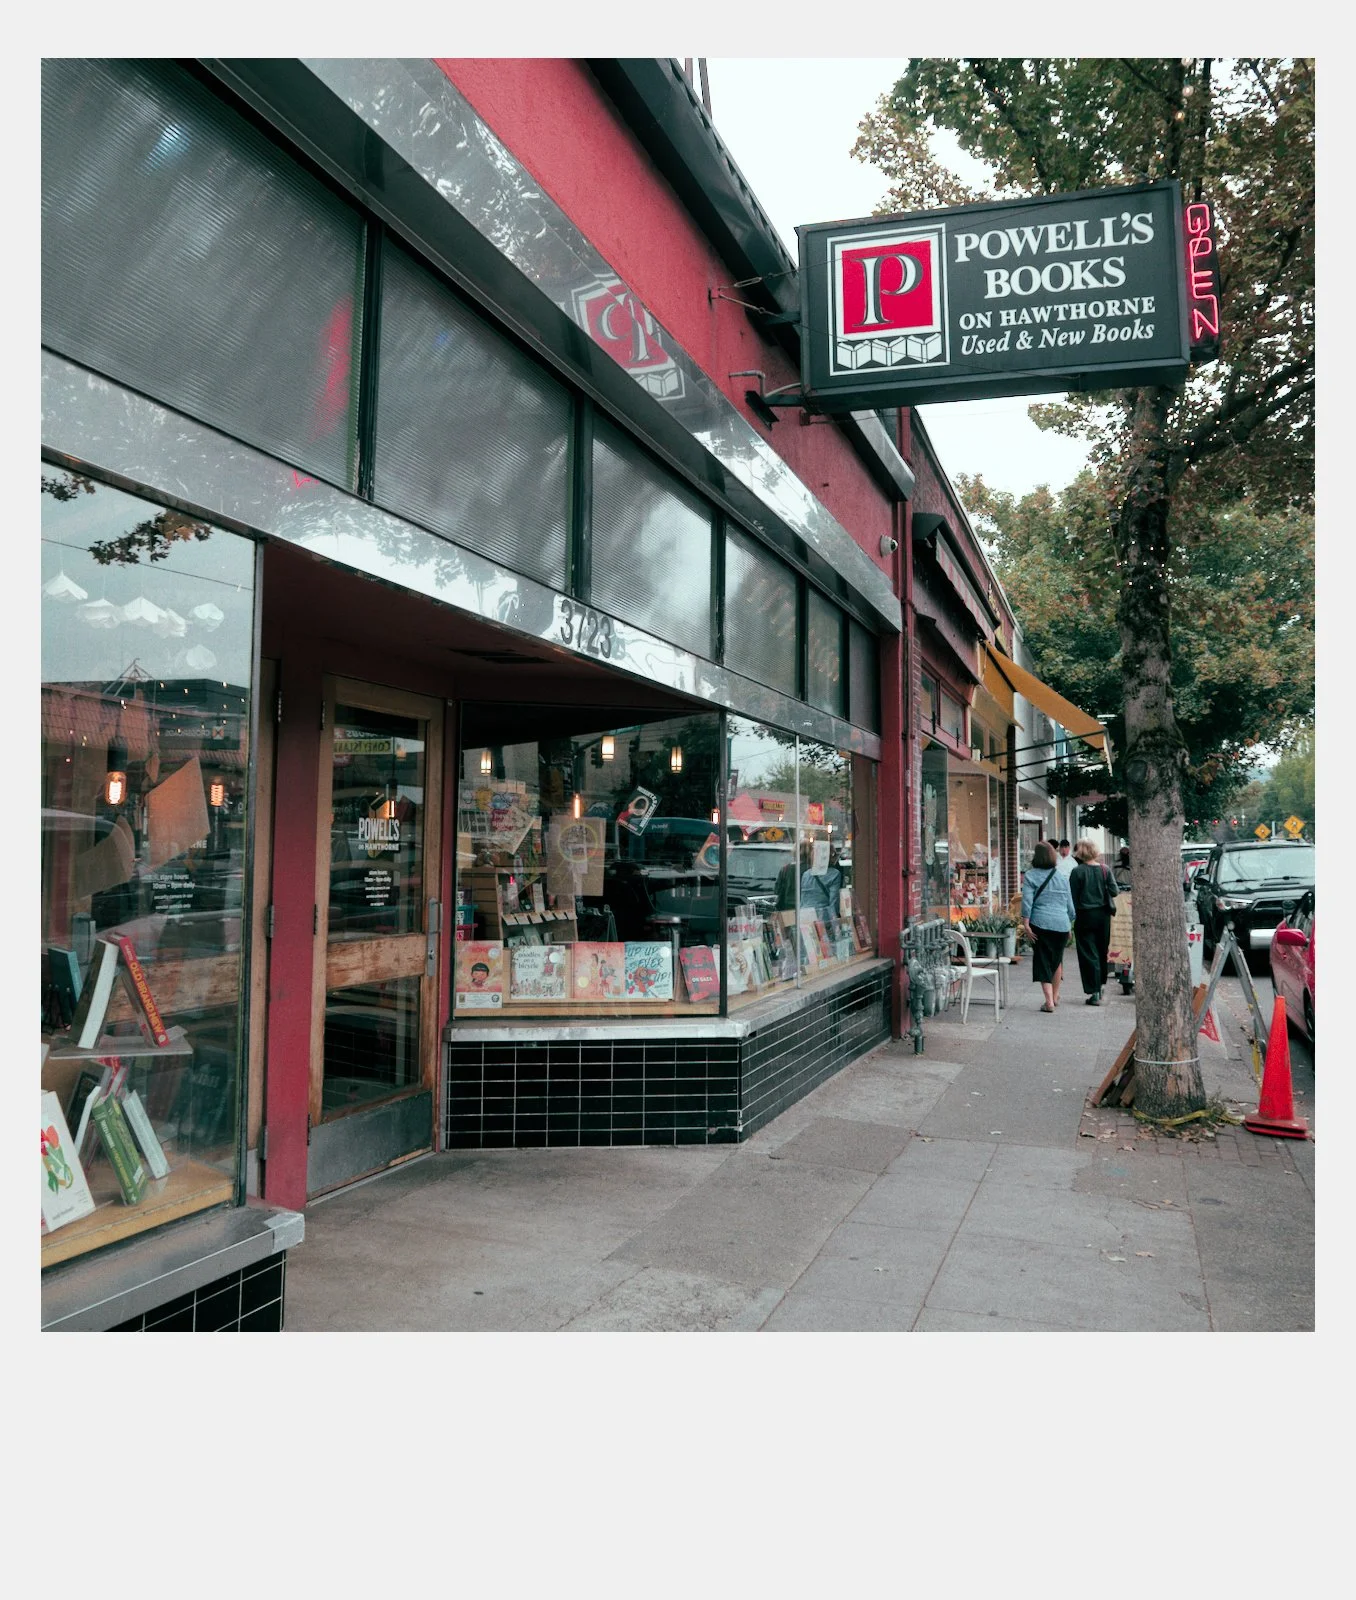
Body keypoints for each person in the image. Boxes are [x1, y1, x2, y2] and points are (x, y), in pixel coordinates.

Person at [1021, 839, 1076, 1012]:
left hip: (1040, 923)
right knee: (1057, 961)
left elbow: (1027, 902)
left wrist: (1026, 923)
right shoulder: (1061, 876)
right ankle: (1055, 996)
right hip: (1061, 924)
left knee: (1043, 960)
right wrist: (1069, 925)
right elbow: (1070, 906)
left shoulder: (1030, 876)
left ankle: (1049, 1002)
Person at [1069, 839, 1117, 1005]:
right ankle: (1101, 985)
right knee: (1102, 950)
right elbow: (1114, 891)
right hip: (1103, 916)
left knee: (1088, 953)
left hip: (1084, 915)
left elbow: (1072, 897)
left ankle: (1094, 991)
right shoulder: (1105, 869)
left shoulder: (1077, 872)